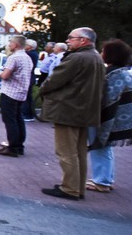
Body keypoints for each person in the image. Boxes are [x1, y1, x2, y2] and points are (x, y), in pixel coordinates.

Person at [39, 27, 104, 200]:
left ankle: (69, 188)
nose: (68, 41)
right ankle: (78, 186)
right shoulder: (96, 57)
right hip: (85, 110)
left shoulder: (77, 58)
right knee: (79, 151)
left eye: (71, 38)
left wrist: (43, 90)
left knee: (66, 151)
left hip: (68, 109)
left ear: (83, 40)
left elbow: (54, 80)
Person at [86, 39, 132, 193]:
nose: (101, 53)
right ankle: (105, 178)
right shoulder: (122, 71)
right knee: (104, 148)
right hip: (112, 117)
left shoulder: (114, 73)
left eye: (103, 51)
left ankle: (102, 181)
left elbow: (108, 99)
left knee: (100, 146)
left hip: (105, 118)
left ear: (111, 54)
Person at [0, 36, 34, 157]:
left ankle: (12, 147)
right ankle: (19, 145)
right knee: (18, 119)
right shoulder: (27, 57)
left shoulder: (14, 57)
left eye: (10, 42)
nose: (9, 45)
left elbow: (5, 75)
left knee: (9, 120)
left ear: (16, 45)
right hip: (21, 92)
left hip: (10, 92)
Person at [21, 39, 39, 121]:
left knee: (27, 97)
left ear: (30, 46)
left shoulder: (30, 54)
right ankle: (30, 114)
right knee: (28, 96)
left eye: (26, 44)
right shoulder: (34, 54)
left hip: (28, 77)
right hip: (30, 77)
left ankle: (27, 114)